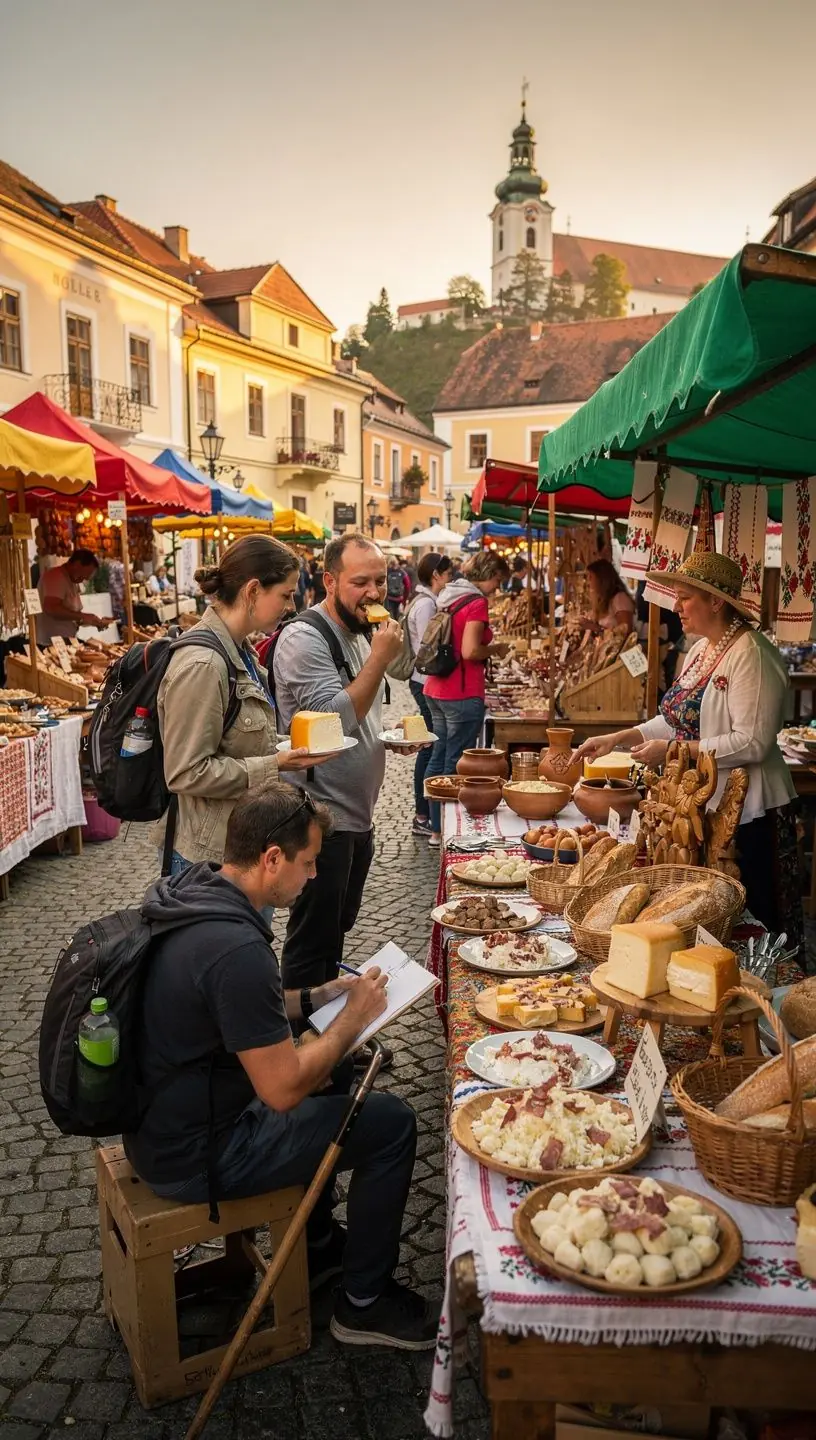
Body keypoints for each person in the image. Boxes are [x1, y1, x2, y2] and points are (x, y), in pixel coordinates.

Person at [124, 786, 438, 1348]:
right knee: (390, 1123)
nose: (314, 876)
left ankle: (317, 1246)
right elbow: (283, 1088)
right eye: (309, 862)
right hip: (198, 1154)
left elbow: (243, 1011)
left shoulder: (197, 891)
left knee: (336, 1077)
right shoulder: (235, 949)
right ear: (272, 858)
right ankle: (363, 1304)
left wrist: (319, 998)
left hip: (163, 1121)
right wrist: (352, 1022)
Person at [577, 552, 802, 947]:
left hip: (752, 811)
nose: (676, 607)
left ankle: (773, 992)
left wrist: (674, 750)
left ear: (716, 601)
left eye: (684, 598)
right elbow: (675, 718)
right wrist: (621, 737)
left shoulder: (752, 654)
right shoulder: (701, 650)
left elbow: (753, 741)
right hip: (707, 804)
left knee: (760, 913)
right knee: (716, 912)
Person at [272, 533, 404, 993]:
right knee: (311, 942)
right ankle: (304, 1048)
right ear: (329, 580)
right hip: (317, 817)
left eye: (380, 581)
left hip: (356, 814)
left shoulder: (360, 633)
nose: (373, 593)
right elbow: (330, 719)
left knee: (335, 932)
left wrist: (388, 741)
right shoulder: (303, 638)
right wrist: (380, 661)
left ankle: (331, 1029)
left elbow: (363, 715)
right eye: (360, 582)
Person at [157, 535, 321, 874]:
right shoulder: (203, 664)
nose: (290, 606)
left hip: (244, 845)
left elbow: (239, 739)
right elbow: (187, 772)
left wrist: (295, 747)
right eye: (286, 595)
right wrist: (276, 764)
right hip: (210, 859)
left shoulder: (241, 652)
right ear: (253, 591)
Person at [423, 550, 511, 846]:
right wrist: (496, 649)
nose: (497, 588)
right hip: (460, 691)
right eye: (497, 580)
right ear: (486, 574)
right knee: (455, 763)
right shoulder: (476, 602)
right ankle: (448, 830)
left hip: (436, 686)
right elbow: (471, 650)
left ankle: (435, 826)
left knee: (439, 757)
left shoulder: (450, 594)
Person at [406, 552, 452, 836]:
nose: (449, 580)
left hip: (423, 680)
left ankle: (423, 811)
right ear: (436, 575)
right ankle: (422, 814)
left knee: (430, 745)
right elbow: (430, 647)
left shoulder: (425, 601)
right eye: (447, 575)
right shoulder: (425, 605)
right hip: (425, 680)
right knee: (429, 747)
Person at [35, 549, 109, 642]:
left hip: (66, 640)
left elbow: (71, 615)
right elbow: (51, 608)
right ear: (77, 565)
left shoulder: (71, 580)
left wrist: (93, 621)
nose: (83, 579)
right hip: (52, 642)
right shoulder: (56, 576)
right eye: (83, 576)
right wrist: (83, 616)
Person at [583, 558, 635, 636]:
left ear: (602, 579)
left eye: (591, 577)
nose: (588, 582)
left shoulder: (620, 598)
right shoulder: (605, 599)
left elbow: (626, 632)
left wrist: (595, 628)